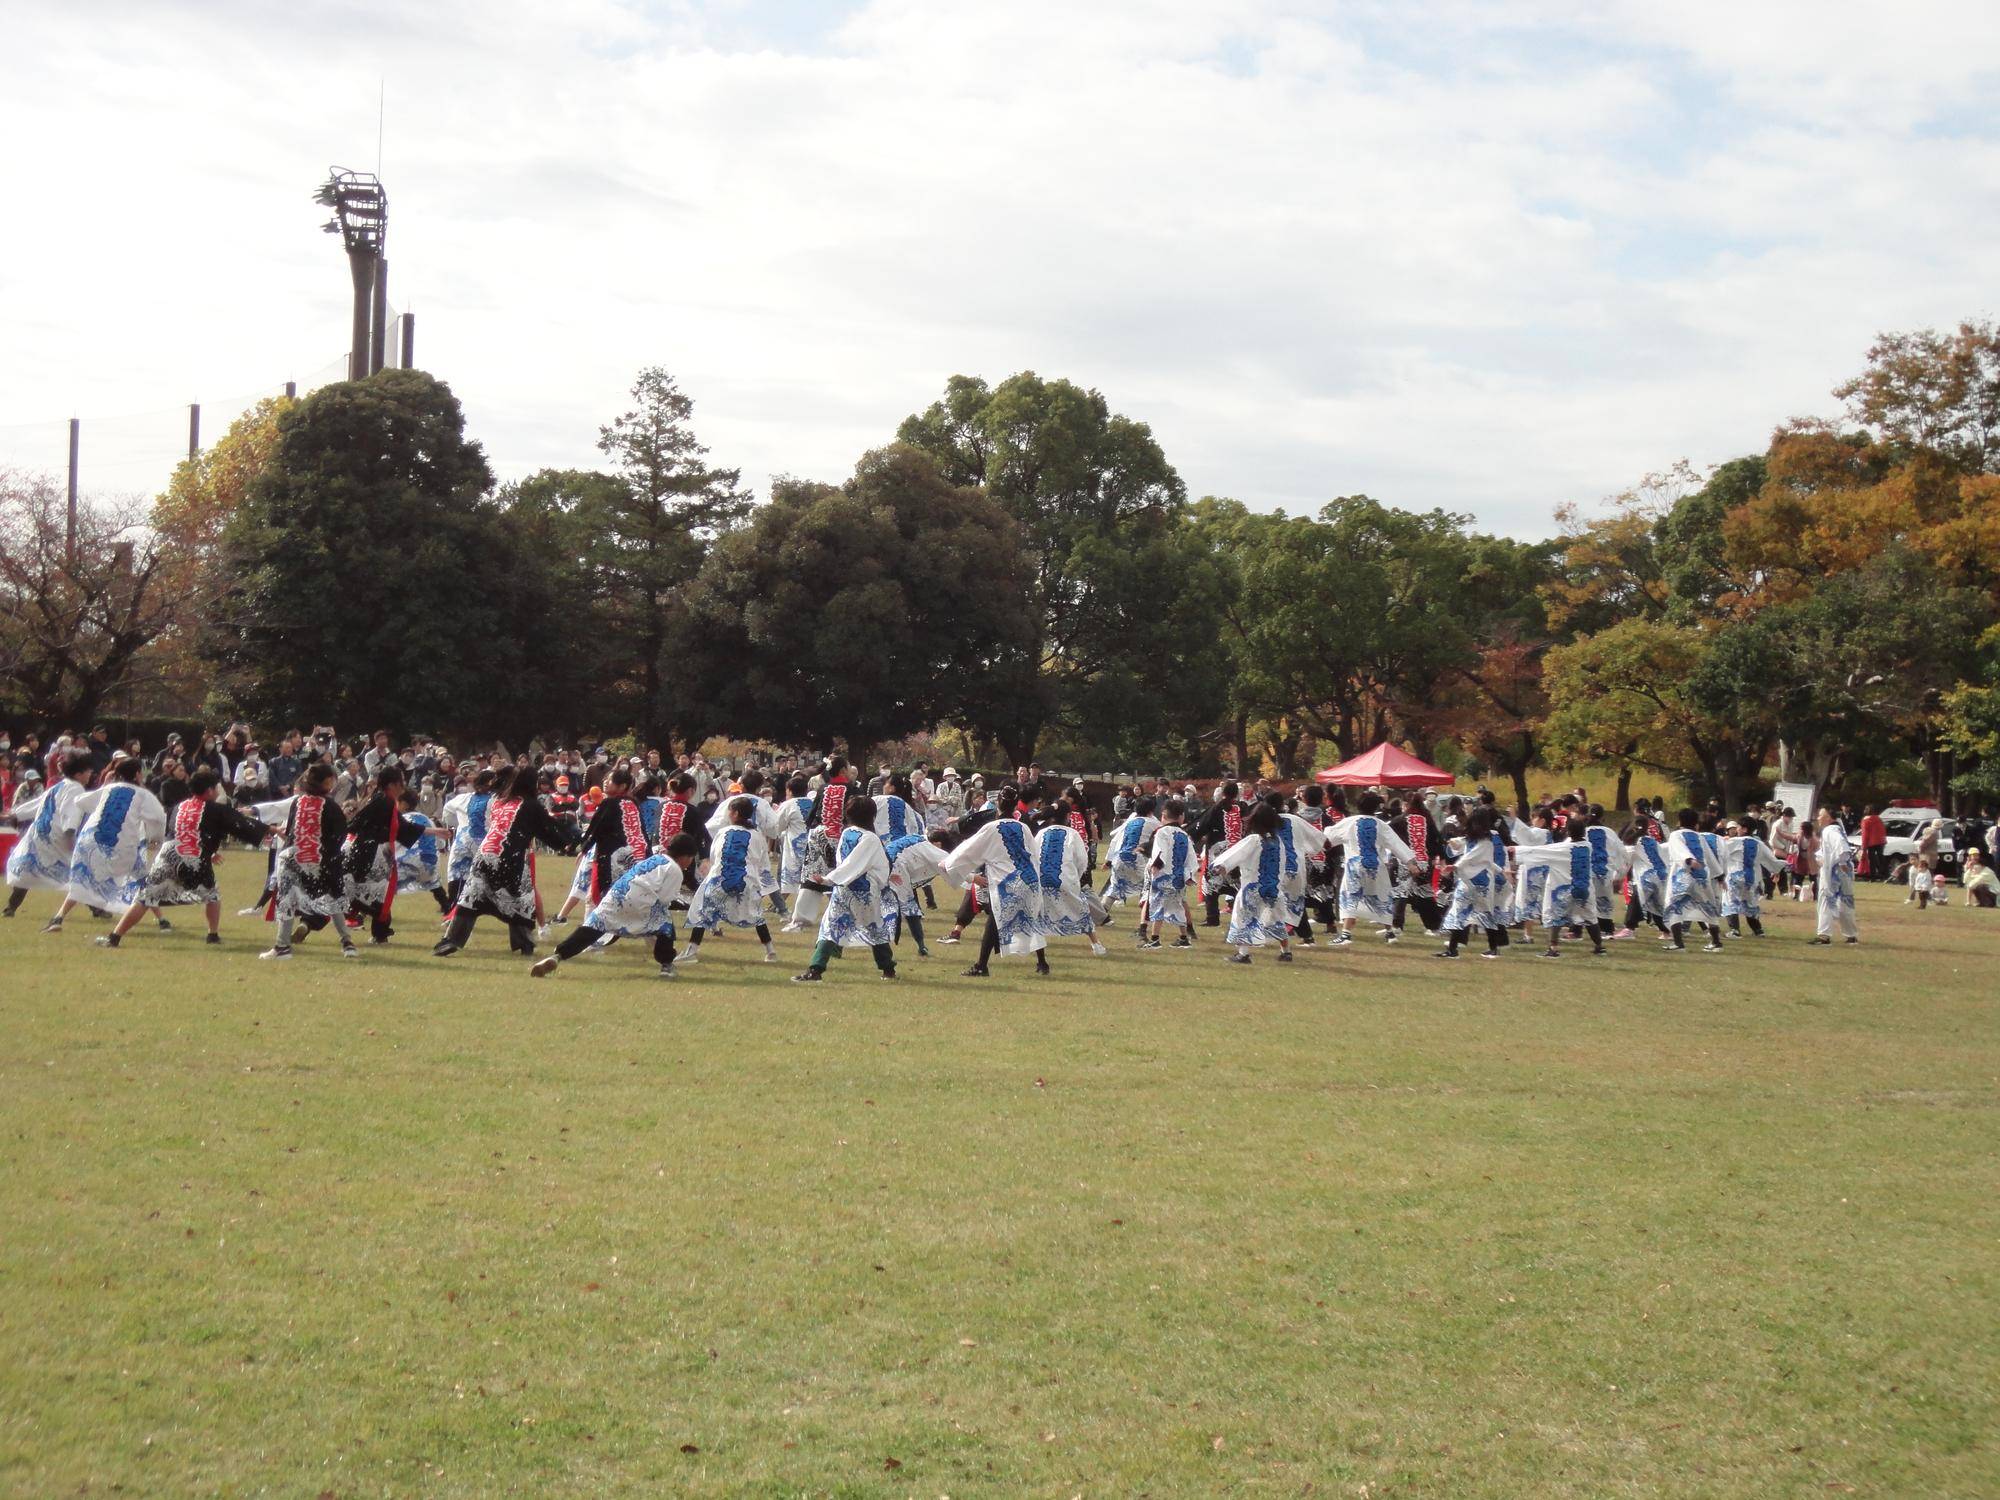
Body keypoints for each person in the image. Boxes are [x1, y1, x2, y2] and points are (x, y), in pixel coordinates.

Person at [98, 768, 270, 948]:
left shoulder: (180, 806)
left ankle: (115, 937)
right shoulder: (215, 808)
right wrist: (270, 830)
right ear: (210, 790)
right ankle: (212, 935)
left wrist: (208, 852)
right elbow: (239, 824)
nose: (218, 791)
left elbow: (184, 832)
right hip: (192, 857)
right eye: (216, 788)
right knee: (212, 895)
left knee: (145, 898)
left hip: (167, 853)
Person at [433, 766, 581, 957]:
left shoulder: (499, 802)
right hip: (509, 856)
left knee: (471, 899)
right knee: (520, 899)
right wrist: (568, 843)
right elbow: (548, 830)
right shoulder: (531, 805)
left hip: (484, 855)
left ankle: (451, 939)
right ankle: (524, 943)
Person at [531, 833, 702, 979]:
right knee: (665, 925)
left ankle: (557, 955)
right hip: (641, 902)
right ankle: (666, 965)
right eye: (691, 858)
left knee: (591, 929)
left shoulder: (654, 859)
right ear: (685, 857)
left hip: (617, 896)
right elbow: (664, 899)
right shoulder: (674, 870)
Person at [48, 756, 167, 932]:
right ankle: (162, 921)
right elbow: (159, 817)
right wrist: (156, 841)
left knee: (82, 880)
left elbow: (80, 801)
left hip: (90, 841)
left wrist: (103, 795)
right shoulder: (143, 794)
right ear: (137, 774)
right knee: (142, 881)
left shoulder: (109, 788)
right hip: (121, 843)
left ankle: (58, 918)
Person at [941, 786, 1049, 977]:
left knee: (994, 919)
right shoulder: (1022, 827)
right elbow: (1034, 854)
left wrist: (949, 863)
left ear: (998, 803)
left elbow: (968, 849)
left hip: (1008, 882)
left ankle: (981, 966)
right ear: (1015, 805)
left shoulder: (991, 828)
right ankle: (1042, 963)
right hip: (1029, 879)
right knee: (1030, 919)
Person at [793, 796, 899, 983]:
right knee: (873, 928)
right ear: (872, 816)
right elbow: (855, 865)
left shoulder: (848, 833)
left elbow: (848, 864)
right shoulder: (870, 838)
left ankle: (815, 970)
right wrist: (830, 879)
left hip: (845, 889)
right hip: (864, 892)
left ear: (848, 814)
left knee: (831, 927)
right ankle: (888, 969)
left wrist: (829, 879)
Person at [260, 762, 357, 960]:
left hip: (291, 858)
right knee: (331, 900)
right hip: (318, 860)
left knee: (287, 901)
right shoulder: (330, 806)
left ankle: (282, 947)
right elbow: (339, 836)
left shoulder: (299, 801)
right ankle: (347, 943)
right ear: (328, 782)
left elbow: (290, 833)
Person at [682, 795, 780, 965]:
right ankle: (770, 950)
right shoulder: (757, 835)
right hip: (746, 879)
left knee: (703, 910)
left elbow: (714, 856)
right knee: (756, 914)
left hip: (720, 877)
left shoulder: (723, 832)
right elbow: (760, 861)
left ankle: (691, 950)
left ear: (734, 813)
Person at [3, 748, 98, 921]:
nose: (91, 773)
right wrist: (70, 834)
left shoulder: (59, 786)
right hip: (58, 837)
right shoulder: (76, 789)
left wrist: (16, 813)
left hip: (39, 834)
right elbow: (71, 813)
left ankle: (11, 906)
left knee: (27, 870)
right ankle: (97, 910)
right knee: (79, 872)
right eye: (88, 771)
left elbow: (38, 804)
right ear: (78, 774)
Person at [1209, 802, 1295, 964]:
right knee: (1276, 919)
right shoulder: (1278, 842)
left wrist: (1220, 866)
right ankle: (1286, 951)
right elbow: (1282, 865)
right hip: (1273, 889)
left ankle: (1243, 953)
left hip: (1252, 887)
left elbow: (1235, 854)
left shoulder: (1254, 840)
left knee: (1243, 918)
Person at [1329, 791, 1416, 945]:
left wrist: (1314, 846)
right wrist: (1410, 862)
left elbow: (1328, 838)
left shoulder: (1349, 822)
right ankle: (1390, 933)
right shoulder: (1381, 825)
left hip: (1354, 865)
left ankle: (1346, 934)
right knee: (1382, 896)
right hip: (1376, 865)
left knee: (1350, 896)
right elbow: (1396, 844)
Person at [1511, 820, 1605, 957]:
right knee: (1590, 917)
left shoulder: (1563, 848)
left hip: (1564, 889)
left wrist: (1514, 851)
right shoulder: (1587, 846)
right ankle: (1599, 946)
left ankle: (1553, 949)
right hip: (1584, 888)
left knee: (1555, 916)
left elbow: (1538, 851)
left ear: (1568, 832)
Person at [1035, 796, 1106, 964]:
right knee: (1081, 911)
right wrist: (1076, 877)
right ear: (1068, 816)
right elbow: (1082, 860)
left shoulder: (1041, 833)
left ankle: (1037, 947)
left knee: (1038, 914)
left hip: (1042, 880)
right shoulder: (1072, 834)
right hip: (1065, 879)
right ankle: (1096, 944)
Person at [1434, 807, 1510, 959]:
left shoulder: (1485, 842)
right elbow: (1468, 849)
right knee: (1474, 912)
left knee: (1464, 911)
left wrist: (1456, 865)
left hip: (1475, 881)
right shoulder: (1480, 839)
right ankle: (1486, 948)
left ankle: (1454, 949)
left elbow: (1471, 856)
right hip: (1479, 882)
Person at [1139, 797, 1199, 949]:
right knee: (1177, 906)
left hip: (1164, 875)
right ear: (1181, 817)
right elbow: (1191, 857)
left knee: (1158, 904)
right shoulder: (1184, 835)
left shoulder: (1162, 832)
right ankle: (1184, 938)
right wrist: (1190, 875)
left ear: (1163, 815)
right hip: (1179, 877)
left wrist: (1156, 865)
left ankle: (1154, 939)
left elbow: (1160, 850)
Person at [1664, 809, 1726, 952]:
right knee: (1709, 908)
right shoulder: (1699, 837)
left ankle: (1678, 944)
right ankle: (1716, 943)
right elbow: (1710, 858)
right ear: (1696, 824)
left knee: (1673, 907)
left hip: (1683, 876)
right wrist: (1720, 876)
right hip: (1702, 878)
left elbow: (1680, 850)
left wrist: (1689, 859)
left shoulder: (1675, 835)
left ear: (1679, 821)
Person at [1099, 795, 1161, 917]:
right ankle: (1149, 915)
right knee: (1151, 884)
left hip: (1119, 858)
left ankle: (1100, 913)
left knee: (1114, 887)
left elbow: (1115, 840)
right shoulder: (1154, 823)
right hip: (1136, 859)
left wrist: (1109, 860)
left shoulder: (1130, 822)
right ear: (1151, 810)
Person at [1721, 822, 1782, 937]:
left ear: (1744, 829)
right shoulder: (1759, 843)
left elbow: (1720, 851)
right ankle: (1758, 930)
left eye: (1738, 827)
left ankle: (1735, 930)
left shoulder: (1734, 841)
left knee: (1730, 901)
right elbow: (1771, 859)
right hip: (1752, 879)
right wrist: (1775, 870)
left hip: (1735, 876)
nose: (1736, 830)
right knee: (1750, 904)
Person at [1810, 807, 1859, 944]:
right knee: (1845, 902)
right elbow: (1829, 850)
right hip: (1843, 872)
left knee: (1826, 900)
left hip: (1833, 872)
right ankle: (1851, 935)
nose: (1818, 818)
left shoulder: (1829, 830)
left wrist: (1842, 861)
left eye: (1821, 815)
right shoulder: (1838, 829)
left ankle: (1824, 936)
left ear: (1829, 817)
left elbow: (1841, 846)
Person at [1858, 805, 1888, 880]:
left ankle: (1873, 875)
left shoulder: (1865, 820)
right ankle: (1884, 874)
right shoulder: (1878, 818)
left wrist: (1864, 845)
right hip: (1880, 841)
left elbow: (1865, 834)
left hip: (1871, 842)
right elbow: (1883, 830)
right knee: (1881, 857)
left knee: (1872, 859)